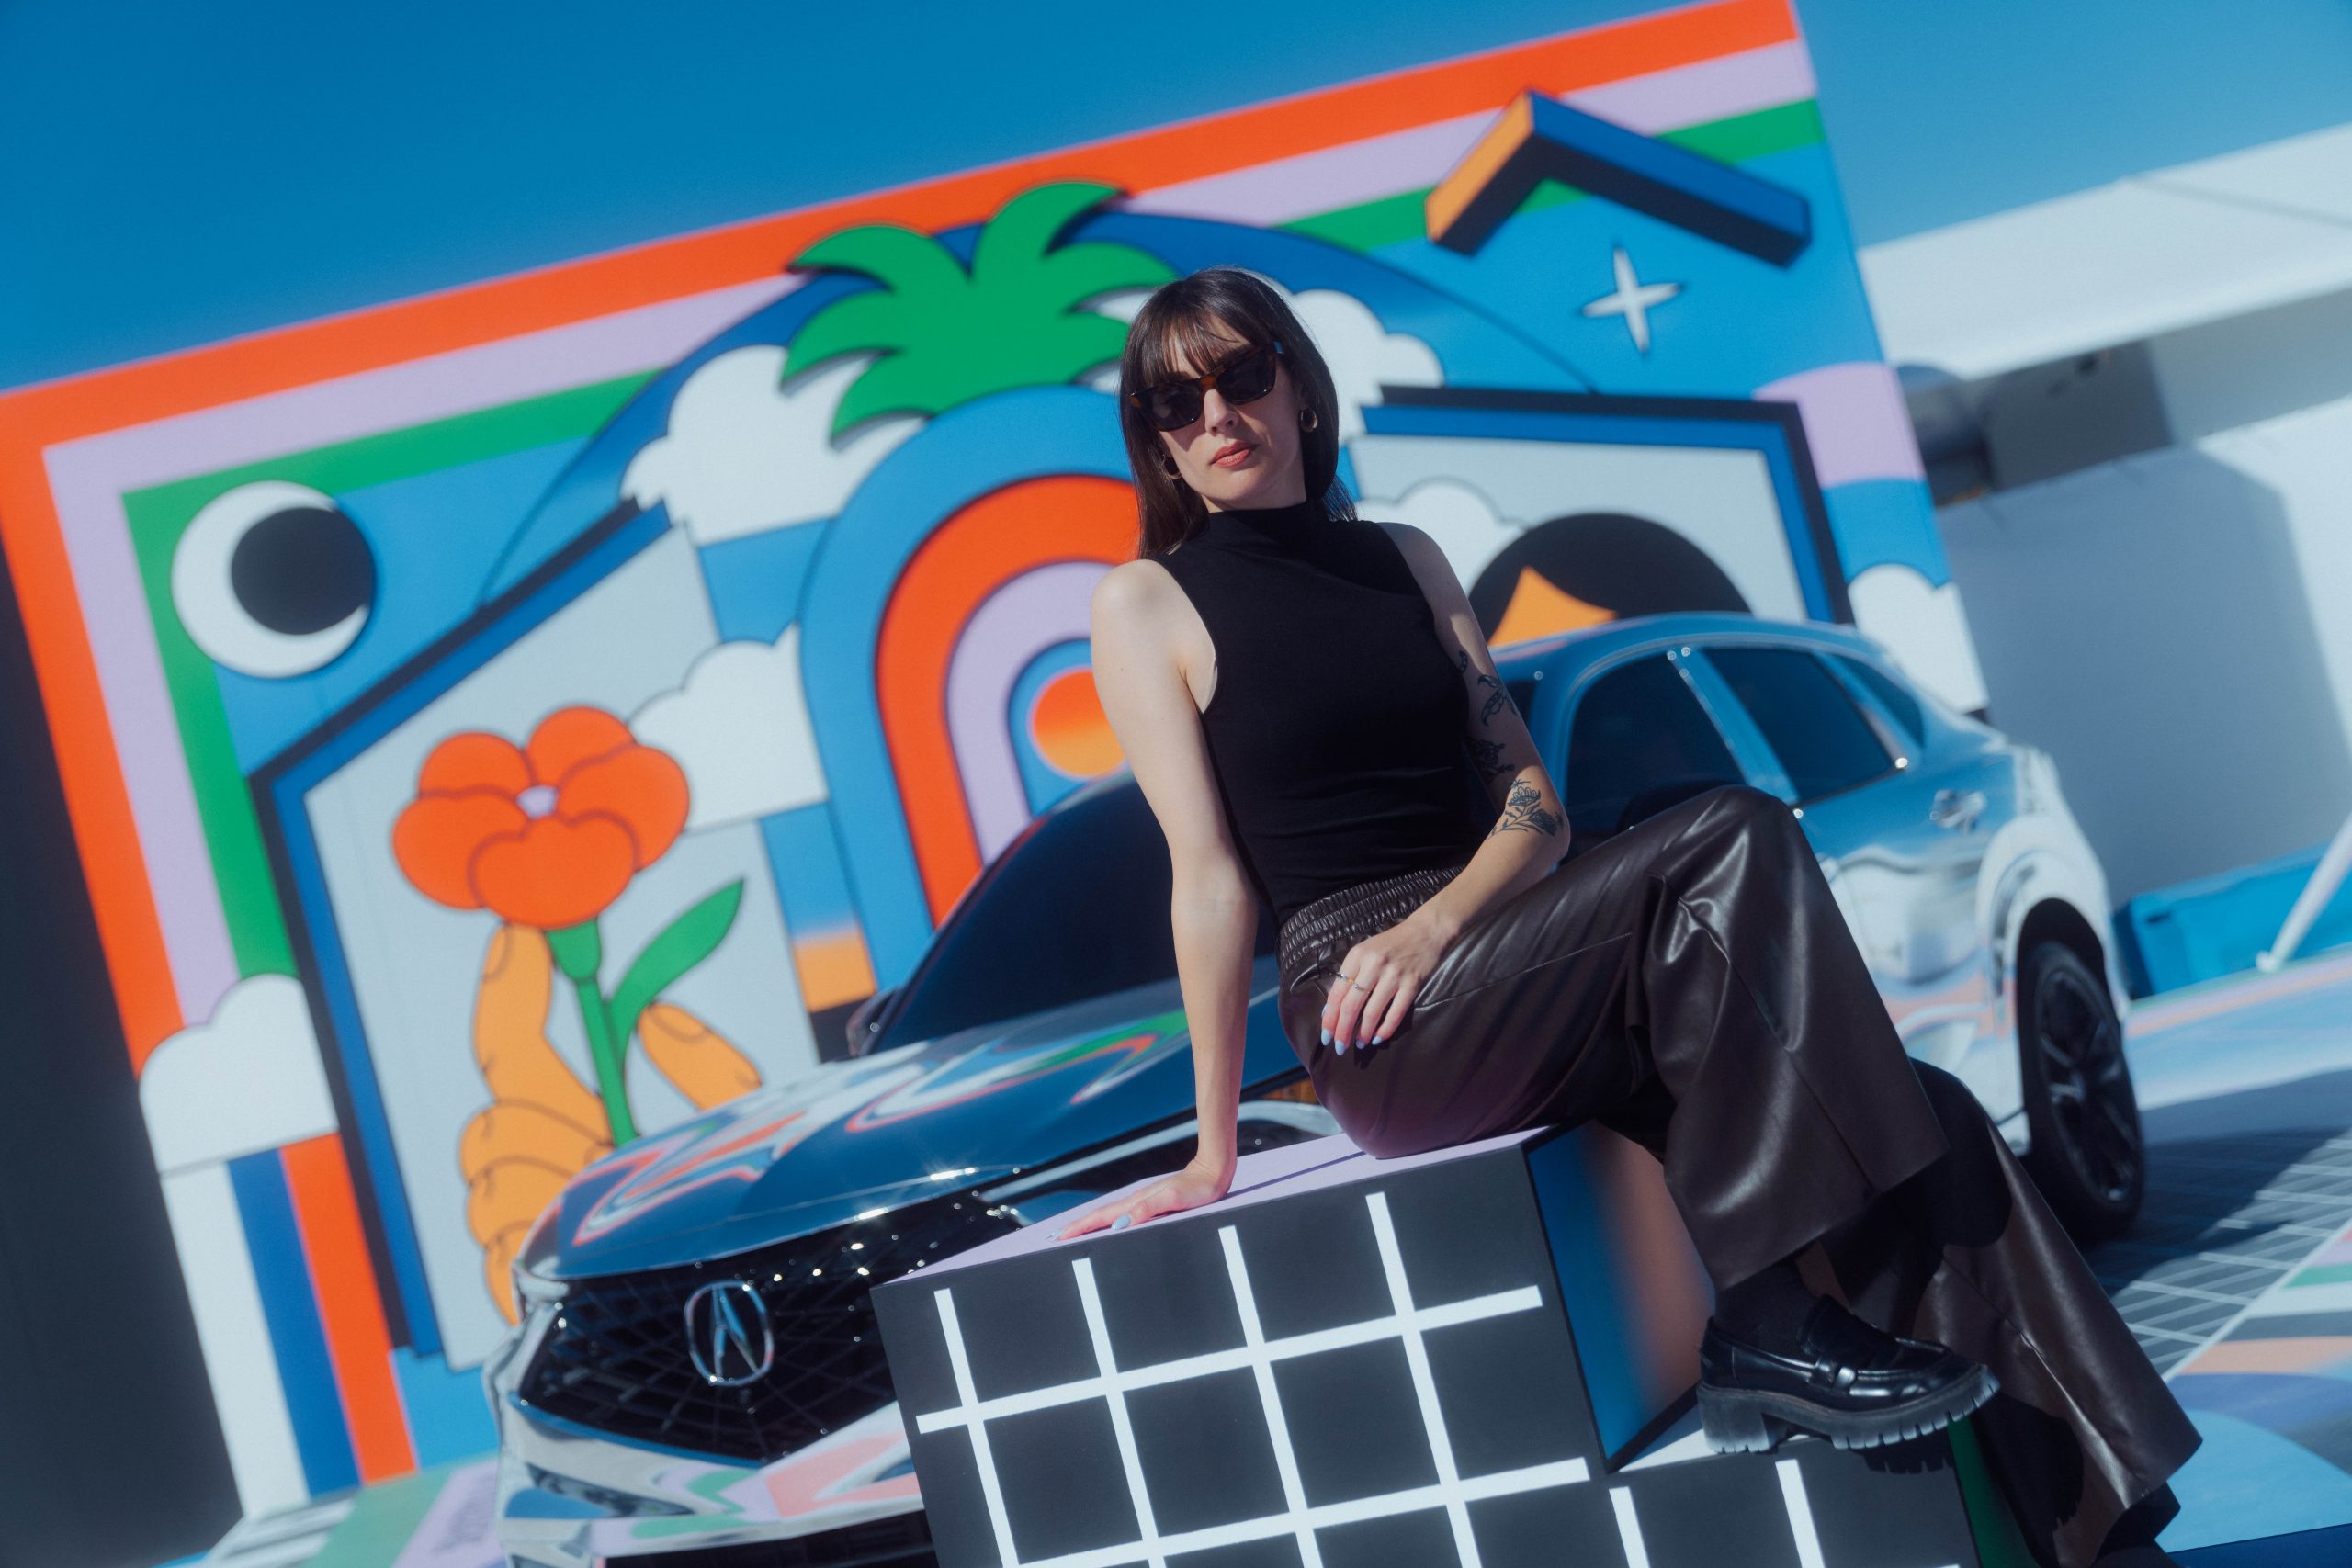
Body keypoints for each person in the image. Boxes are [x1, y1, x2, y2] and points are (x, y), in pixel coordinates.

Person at [1054, 266, 2199, 1567]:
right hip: (1376, 1006)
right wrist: (1213, 1149)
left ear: (1299, 388)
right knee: (1734, 830)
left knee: (1934, 1116)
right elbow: (1206, 878)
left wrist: (1447, 923)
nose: (1215, 413)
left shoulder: (1407, 561)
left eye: (1240, 374)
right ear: (1152, 436)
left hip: (1503, 952)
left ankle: (2108, 1535)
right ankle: (1769, 1317)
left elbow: (1529, 803)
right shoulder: (1146, 603)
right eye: (1173, 398)